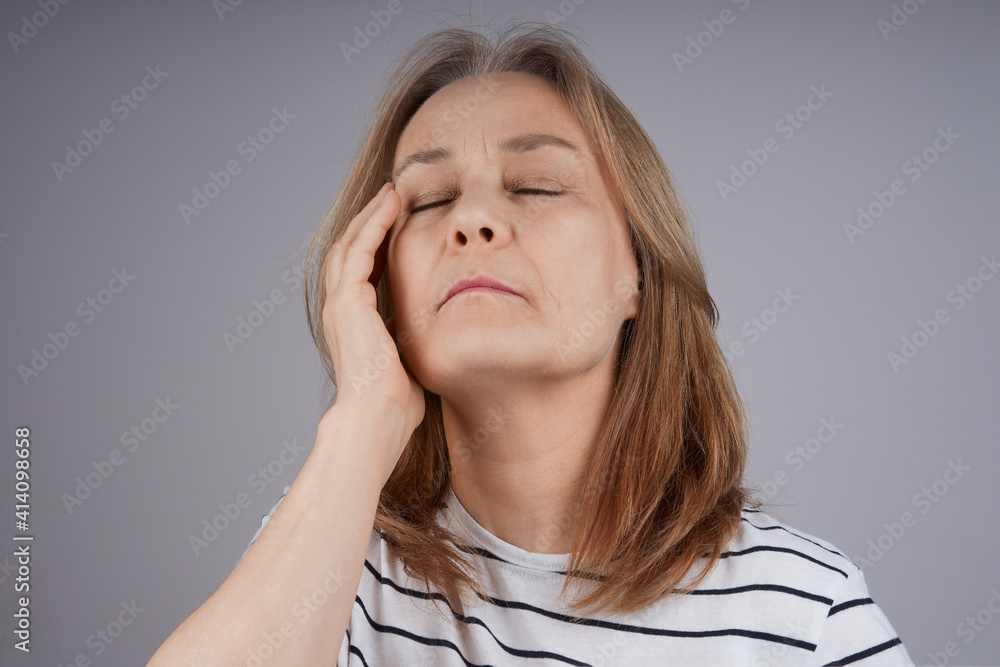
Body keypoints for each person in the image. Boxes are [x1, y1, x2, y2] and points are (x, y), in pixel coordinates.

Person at [148, 20, 915, 666]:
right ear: (378, 277)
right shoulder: (333, 549)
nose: (472, 219)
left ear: (639, 274)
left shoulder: (806, 611)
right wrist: (362, 418)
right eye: (431, 198)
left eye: (537, 186)